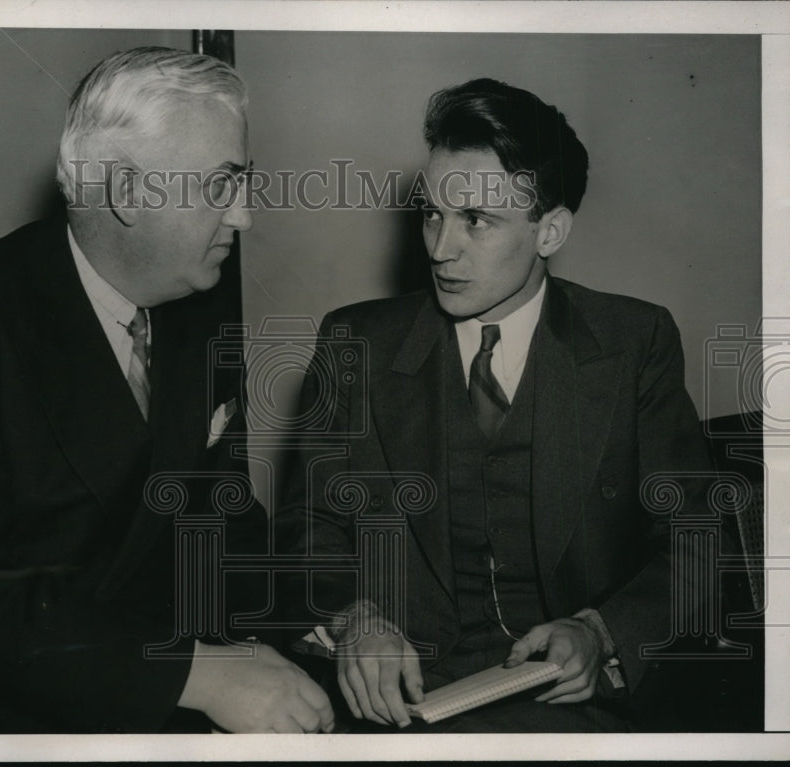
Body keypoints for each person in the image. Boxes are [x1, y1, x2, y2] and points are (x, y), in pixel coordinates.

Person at [0, 46, 333, 734]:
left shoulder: (194, 313)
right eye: (221, 186)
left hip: (129, 688)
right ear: (126, 193)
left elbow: (215, 521)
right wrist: (200, 672)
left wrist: (327, 613)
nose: (245, 216)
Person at [276, 78, 713, 732]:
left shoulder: (633, 343)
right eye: (432, 212)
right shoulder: (355, 342)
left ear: (550, 230)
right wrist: (354, 618)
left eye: (476, 220)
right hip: (395, 705)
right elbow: (302, 530)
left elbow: (695, 541)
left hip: (573, 704)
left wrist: (599, 632)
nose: (439, 248)